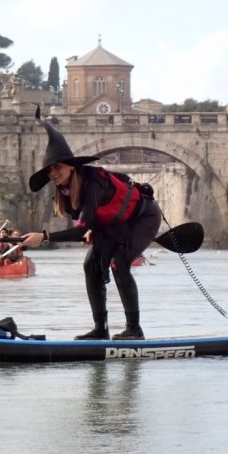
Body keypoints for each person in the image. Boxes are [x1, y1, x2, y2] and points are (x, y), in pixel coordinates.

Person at [20, 115, 161, 340]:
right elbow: (87, 224)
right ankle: (100, 329)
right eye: (49, 170)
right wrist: (90, 230)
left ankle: (134, 329)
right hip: (113, 225)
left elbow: (79, 230)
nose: (53, 173)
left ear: (71, 166)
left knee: (119, 263)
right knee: (90, 265)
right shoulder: (64, 192)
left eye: (57, 167)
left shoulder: (93, 181)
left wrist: (44, 236)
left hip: (143, 217)